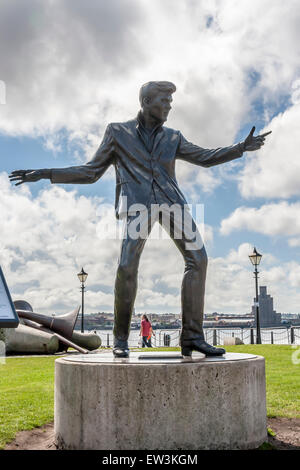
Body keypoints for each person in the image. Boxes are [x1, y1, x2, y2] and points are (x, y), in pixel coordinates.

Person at [9, 81, 271, 358]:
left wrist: (240, 147)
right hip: (138, 206)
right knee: (126, 266)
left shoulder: (173, 137)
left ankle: (192, 337)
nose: (169, 105)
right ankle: (121, 339)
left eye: (171, 100)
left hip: (173, 204)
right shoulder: (117, 132)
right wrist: (46, 173)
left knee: (199, 259)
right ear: (146, 101)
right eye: (164, 100)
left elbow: (204, 157)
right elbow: (91, 172)